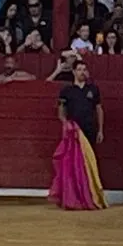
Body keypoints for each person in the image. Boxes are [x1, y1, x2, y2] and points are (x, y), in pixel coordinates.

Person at [51, 60, 106, 211]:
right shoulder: (66, 91)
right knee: (72, 165)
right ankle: (74, 197)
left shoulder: (93, 89)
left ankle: (90, 196)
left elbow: (99, 110)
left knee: (89, 164)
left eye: (84, 69)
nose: (82, 72)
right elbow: (61, 112)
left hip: (89, 130)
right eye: (79, 69)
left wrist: (100, 130)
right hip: (74, 133)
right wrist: (66, 125)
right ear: (74, 72)